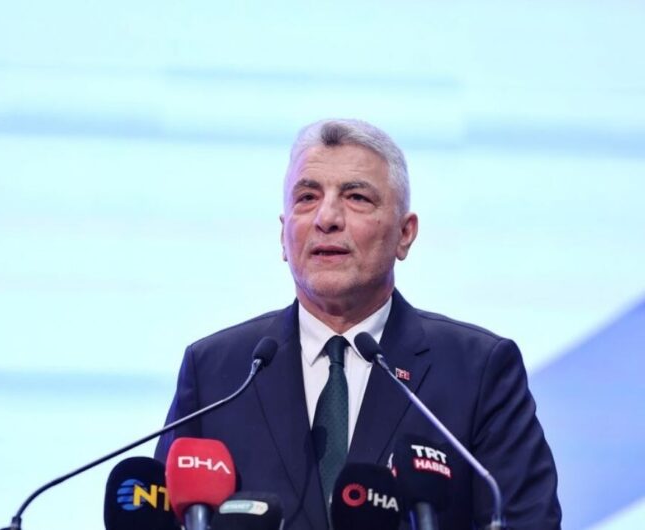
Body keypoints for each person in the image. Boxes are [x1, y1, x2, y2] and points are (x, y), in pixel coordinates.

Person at [155, 118, 561, 529]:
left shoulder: (478, 370)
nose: (327, 218)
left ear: (405, 234)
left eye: (356, 197)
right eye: (307, 197)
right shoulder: (217, 373)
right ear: (283, 235)